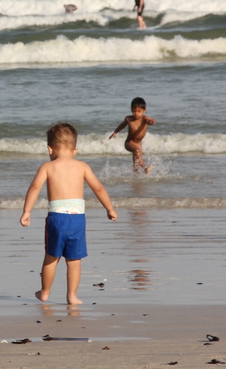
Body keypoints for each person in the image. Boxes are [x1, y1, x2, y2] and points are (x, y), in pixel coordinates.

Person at [20, 123, 117, 304]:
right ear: (75, 150)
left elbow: (34, 188)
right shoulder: (82, 166)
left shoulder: (47, 167)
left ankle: (45, 292)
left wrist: (27, 211)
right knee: (74, 260)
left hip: (57, 219)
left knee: (51, 257)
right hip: (77, 219)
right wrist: (109, 208)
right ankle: (72, 295)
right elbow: (98, 188)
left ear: (50, 148)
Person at [109, 97, 156, 173]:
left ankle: (136, 176)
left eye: (139, 111)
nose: (136, 113)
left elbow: (149, 121)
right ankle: (145, 168)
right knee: (136, 151)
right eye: (134, 111)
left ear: (144, 110)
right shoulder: (129, 119)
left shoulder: (144, 119)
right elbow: (122, 125)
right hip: (129, 142)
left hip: (139, 143)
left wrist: (151, 122)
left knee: (136, 162)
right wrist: (115, 132)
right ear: (131, 110)